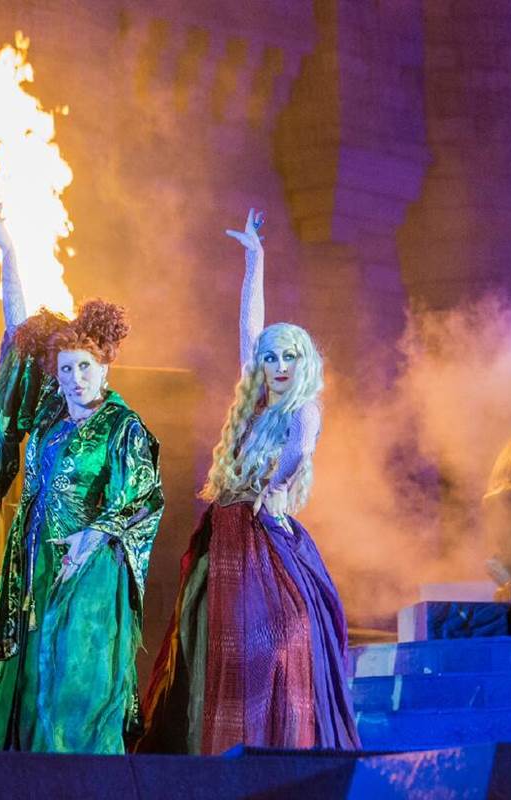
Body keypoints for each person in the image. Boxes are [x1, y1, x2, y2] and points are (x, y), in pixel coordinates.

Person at [0, 205, 165, 753]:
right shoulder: (49, 415)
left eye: (85, 368)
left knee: (74, 684)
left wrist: (93, 537)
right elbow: (19, 330)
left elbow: (143, 499)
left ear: (105, 368)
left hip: (90, 571)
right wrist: (9, 255)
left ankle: (81, 783)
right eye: (66, 369)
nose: (74, 378)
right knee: (29, 679)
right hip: (34, 562)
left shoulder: (122, 426)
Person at [137, 209, 360, 754]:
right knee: (208, 632)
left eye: (289, 357)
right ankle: (212, 741)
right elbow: (248, 330)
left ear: (304, 363)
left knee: (275, 634)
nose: (279, 366)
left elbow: (298, 454)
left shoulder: (302, 410)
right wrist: (255, 259)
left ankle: (270, 739)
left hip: (265, 530)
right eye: (271, 358)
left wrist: (272, 490)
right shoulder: (256, 404)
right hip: (228, 528)